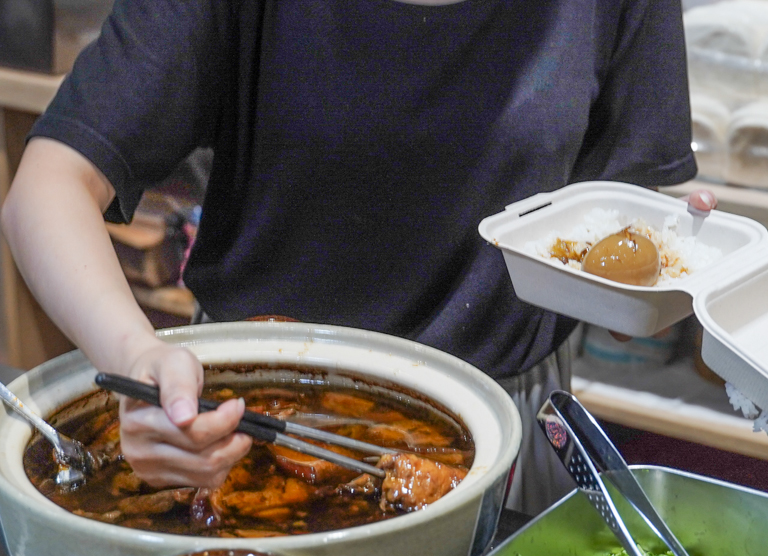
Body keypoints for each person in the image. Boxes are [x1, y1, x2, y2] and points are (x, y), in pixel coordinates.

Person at [0, 0, 715, 514]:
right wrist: (136, 356)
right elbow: (48, 187)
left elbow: (627, 258)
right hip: (238, 426)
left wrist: (678, 274)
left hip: (507, 437)